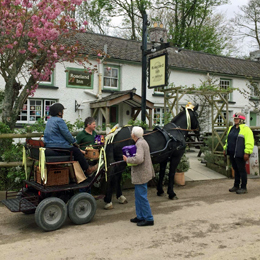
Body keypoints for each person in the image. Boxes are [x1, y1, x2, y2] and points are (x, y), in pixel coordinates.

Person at [44, 103, 97, 177]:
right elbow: (67, 134)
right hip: (58, 145)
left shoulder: (50, 120)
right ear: (59, 112)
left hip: (49, 145)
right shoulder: (59, 120)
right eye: (62, 111)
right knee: (76, 151)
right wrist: (74, 142)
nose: (63, 113)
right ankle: (88, 169)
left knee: (75, 150)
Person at [123, 126, 155, 226]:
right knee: (138, 196)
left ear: (133, 135)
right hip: (142, 173)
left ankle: (149, 218)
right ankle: (140, 216)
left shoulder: (140, 143)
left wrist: (127, 160)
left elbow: (139, 159)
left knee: (141, 196)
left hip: (141, 174)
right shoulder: (142, 142)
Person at [223, 112, 254, 194]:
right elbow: (227, 140)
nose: (235, 120)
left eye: (237, 119)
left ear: (242, 120)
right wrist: (225, 148)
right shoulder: (231, 128)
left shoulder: (246, 129)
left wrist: (247, 152)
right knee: (235, 169)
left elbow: (249, 142)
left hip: (240, 153)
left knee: (241, 170)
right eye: (235, 118)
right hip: (232, 152)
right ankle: (236, 185)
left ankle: (243, 187)